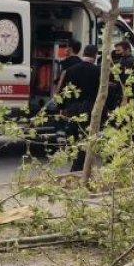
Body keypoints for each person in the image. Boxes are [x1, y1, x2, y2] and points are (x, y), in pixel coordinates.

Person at [58, 44, 101, 172]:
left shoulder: (71, 70)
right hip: (89, 109)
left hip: (73, 108)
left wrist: (62, 108)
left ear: (84, 53)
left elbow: (63, 91)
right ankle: (79, 168)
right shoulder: (98, 71)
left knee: (74, 137)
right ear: (95, 55)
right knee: (85, 138)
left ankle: (77, 164)